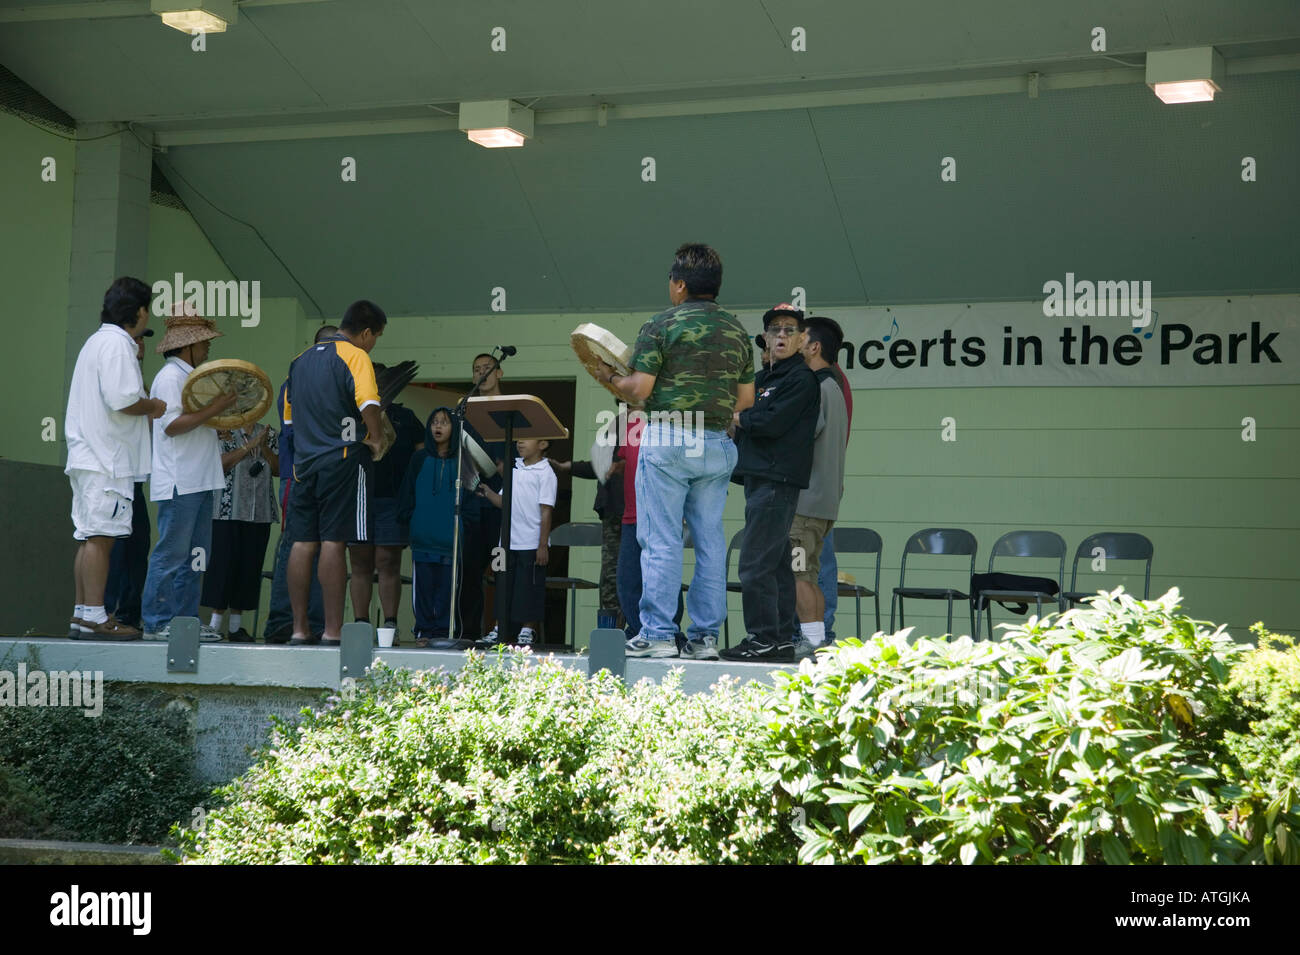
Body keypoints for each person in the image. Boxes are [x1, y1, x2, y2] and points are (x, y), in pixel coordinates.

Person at [596, 242, 754, 660]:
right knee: (709, 541)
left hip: (668, 438)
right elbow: (746, 399)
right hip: (718, 443)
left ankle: (659, 634)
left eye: (671, 280)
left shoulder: (660, 324)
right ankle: (704, 639)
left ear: (680, 284)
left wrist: (611, 377)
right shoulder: (737, 330)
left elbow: (639, 389)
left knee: (661, 540)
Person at [65, 277, 166, 640]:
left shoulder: (96, 341)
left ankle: (82, 613)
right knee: (101, 539)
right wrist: (154, 405)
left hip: (89, 455)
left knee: (89, 536)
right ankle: (95, 615)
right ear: (139, 311)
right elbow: (123, 399)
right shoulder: (118, 343)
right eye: (147, 310)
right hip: (107, 458)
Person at [720, 304, 820, 663]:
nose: (781, 335)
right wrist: (741, 417)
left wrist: (741, 418)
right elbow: (742, 414)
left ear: (802, 339)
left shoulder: (801, 379)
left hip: (778, 481)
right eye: (774, 329)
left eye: (790, 330)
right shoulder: (763, 379)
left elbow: (769, 423)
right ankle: (777, 642)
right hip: (759, 478)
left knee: (754, 562)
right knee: (776, 564)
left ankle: (761, 638)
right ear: (764, 337)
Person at [284, 301, 386, 646]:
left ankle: (299, 629)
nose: (372, 345)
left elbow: (288, 419)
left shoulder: (299, 361)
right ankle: (332, 630)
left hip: (304, 464)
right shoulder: (356, 355)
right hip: (342, 459)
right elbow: (369, 403)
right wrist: (377, 438)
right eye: (375, 338)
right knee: (333, 540)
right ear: (367, 332)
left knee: (301, 542)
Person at [141, 305, 237, 642]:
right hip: (181, 480)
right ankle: (156, 622)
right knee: (172, 553)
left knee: (195, 558)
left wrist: (214, 426)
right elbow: (170, 426)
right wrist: (216, 410)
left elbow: (188, 423)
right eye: (204, 342)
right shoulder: (170, 377)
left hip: (199, 479)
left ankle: (184, 621)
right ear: (187, 345)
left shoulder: (186, 376)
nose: (208, 347)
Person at [263, 325, 335, 642]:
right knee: (294, 546)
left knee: (322, 549)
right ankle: (283, 621)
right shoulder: (295, 382)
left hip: (328, 476)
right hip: (298, 474)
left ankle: (316, 623)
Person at [348, 366, 424, 644]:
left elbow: (421, 458)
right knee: (360, 561)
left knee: (387, 561)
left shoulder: (405, 417)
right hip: (357, 497)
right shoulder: (349, 416)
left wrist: (415, 496)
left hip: (393, 499)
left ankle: (390, 627)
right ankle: (360, 625)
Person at [789, 316, 849, 660]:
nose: (792, 341)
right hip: (823, 504)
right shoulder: (836, 387)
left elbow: (799, 438)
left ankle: (810, 642)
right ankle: (818, 640)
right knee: (810, 577)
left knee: (798, 576)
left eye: (801, 338)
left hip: (804, 504)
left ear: (814, 347)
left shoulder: (816, 389)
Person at [398, 408, 471, 648]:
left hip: (451, 540)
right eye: (434, 422)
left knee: (447, 590)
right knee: (424, 588)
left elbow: (472, 497)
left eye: (444, 423)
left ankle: (442, 632)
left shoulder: (462, 461)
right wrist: (410, 521)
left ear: (455, 429)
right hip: (423, 539)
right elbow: (407, 494)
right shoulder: (418, 459)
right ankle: (424, 631)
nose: (438, 427)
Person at [202, 422, 279, 641]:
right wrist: (249, 446)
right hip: (227, 509)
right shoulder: (222, 431)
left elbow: (278, 468)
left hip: (260, 511)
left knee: (249, 567)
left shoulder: (269, 432)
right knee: (223, 565)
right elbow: (219, 465)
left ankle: (236, 627)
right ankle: (215, 624)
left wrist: (263, 447)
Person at [476, 437, 555, 647]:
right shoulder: (515, 469)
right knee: (503, 585)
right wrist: (487, 492)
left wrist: (542, 544)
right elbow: (504, 502)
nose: (520, 443)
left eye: (526, 439)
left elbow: (546, 511)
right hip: (506, 543)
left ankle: (528, 629)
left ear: (543, 444)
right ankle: (499, 628)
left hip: (531, 543)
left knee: (529, 586)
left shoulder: (546, 473)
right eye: (518, 439)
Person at [550, 409, 624, 630]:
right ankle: (609, 634)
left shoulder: (651, 423)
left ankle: (636, 633)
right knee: (610, 577)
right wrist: (569, 467)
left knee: (633, 577)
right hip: (613, 512)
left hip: (638, 513)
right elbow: (601, 463)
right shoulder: (617, 423)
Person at [614, 408, 685, 641]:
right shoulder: (632, 420)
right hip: (632, 512)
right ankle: (638, 630)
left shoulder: (672, 418)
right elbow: (627, 459)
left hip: (662, 510)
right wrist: (611, 467)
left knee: (663, 574)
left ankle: (668, 631)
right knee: (628, 579)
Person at [103, 324, 156, 632]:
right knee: (118, 548)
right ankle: (110, 614)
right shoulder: (117, 374)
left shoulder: (138, 378)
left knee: (137, 547)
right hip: (116, 474)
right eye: (135, 339)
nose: (140, 345)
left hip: (135, 477)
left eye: (141, 340)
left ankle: (129, 614)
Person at [458, 353, 508, 638]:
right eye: (476, 370)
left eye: (487, 368)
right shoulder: (467, 410)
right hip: (471, 503)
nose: (482, 374)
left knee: (502, 568)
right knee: (470, 571)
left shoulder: (510, 408)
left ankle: (502, 630)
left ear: (499, 373)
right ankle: (468, 633)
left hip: (501, 504)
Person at [817, 359, 854, 642]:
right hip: (819, 483)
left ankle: (821, 633)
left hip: (815, 485)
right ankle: (817, 632)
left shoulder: (827, 382)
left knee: (816, 560)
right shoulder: (832, 381)